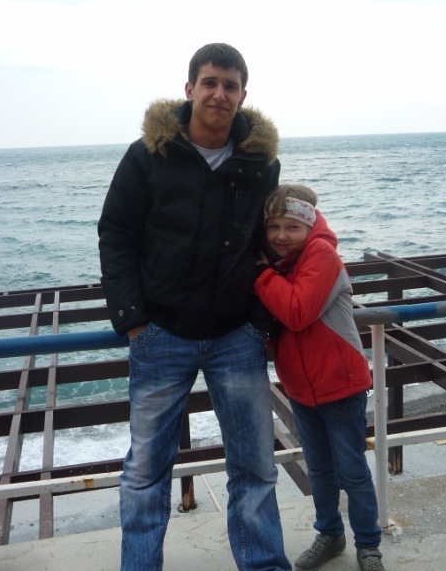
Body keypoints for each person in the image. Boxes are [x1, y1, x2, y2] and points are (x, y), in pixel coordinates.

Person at [98, 43, 291, 571]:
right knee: (145, 473)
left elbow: (270, 242)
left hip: (236, 335)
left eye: (230, 86)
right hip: (160, 334)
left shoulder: (260, 163)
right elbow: (116, 234)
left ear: (243, 96)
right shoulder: (148, 155)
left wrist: (260, 323)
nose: (219, 94)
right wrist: (132, 321)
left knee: (255, 467)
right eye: (210, 83)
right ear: (189, 89)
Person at [254, 184, 385, 571]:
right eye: (273, 227)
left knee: (352, 470)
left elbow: (297, 313)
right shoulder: (283, 262)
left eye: (292, 227)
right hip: (301, 387)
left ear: (309, 226)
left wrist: (259, 273)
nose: (281, 236)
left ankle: (369, 545)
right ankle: (329, 534)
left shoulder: (321, 255)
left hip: (339, 383)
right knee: (320, 469)